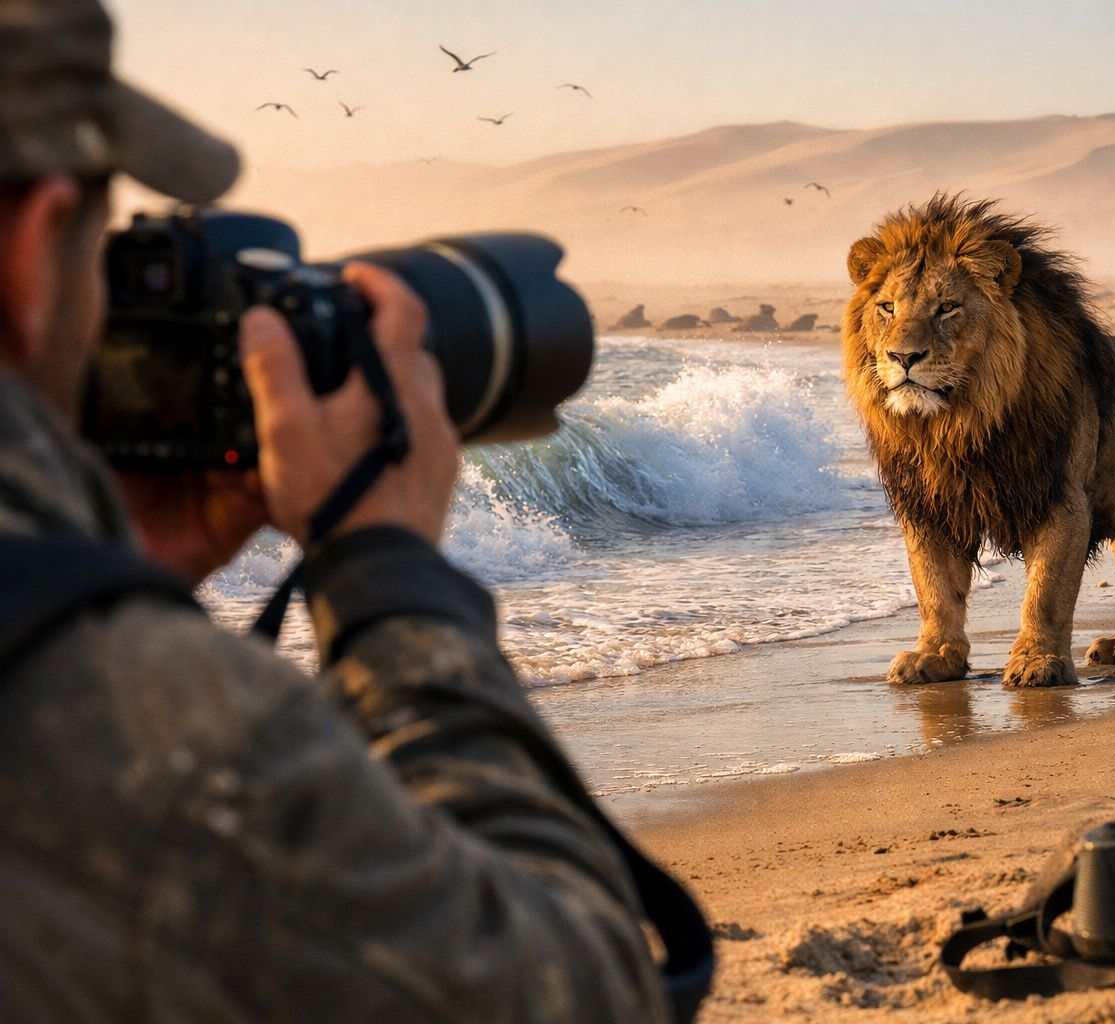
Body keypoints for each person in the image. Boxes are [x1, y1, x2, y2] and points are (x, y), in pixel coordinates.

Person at [0, 1, 679, 1019]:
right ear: (38, 244)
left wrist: (83, 569)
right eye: (107, 245)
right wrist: (386, 574)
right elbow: (572, 990)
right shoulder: (141, 732)